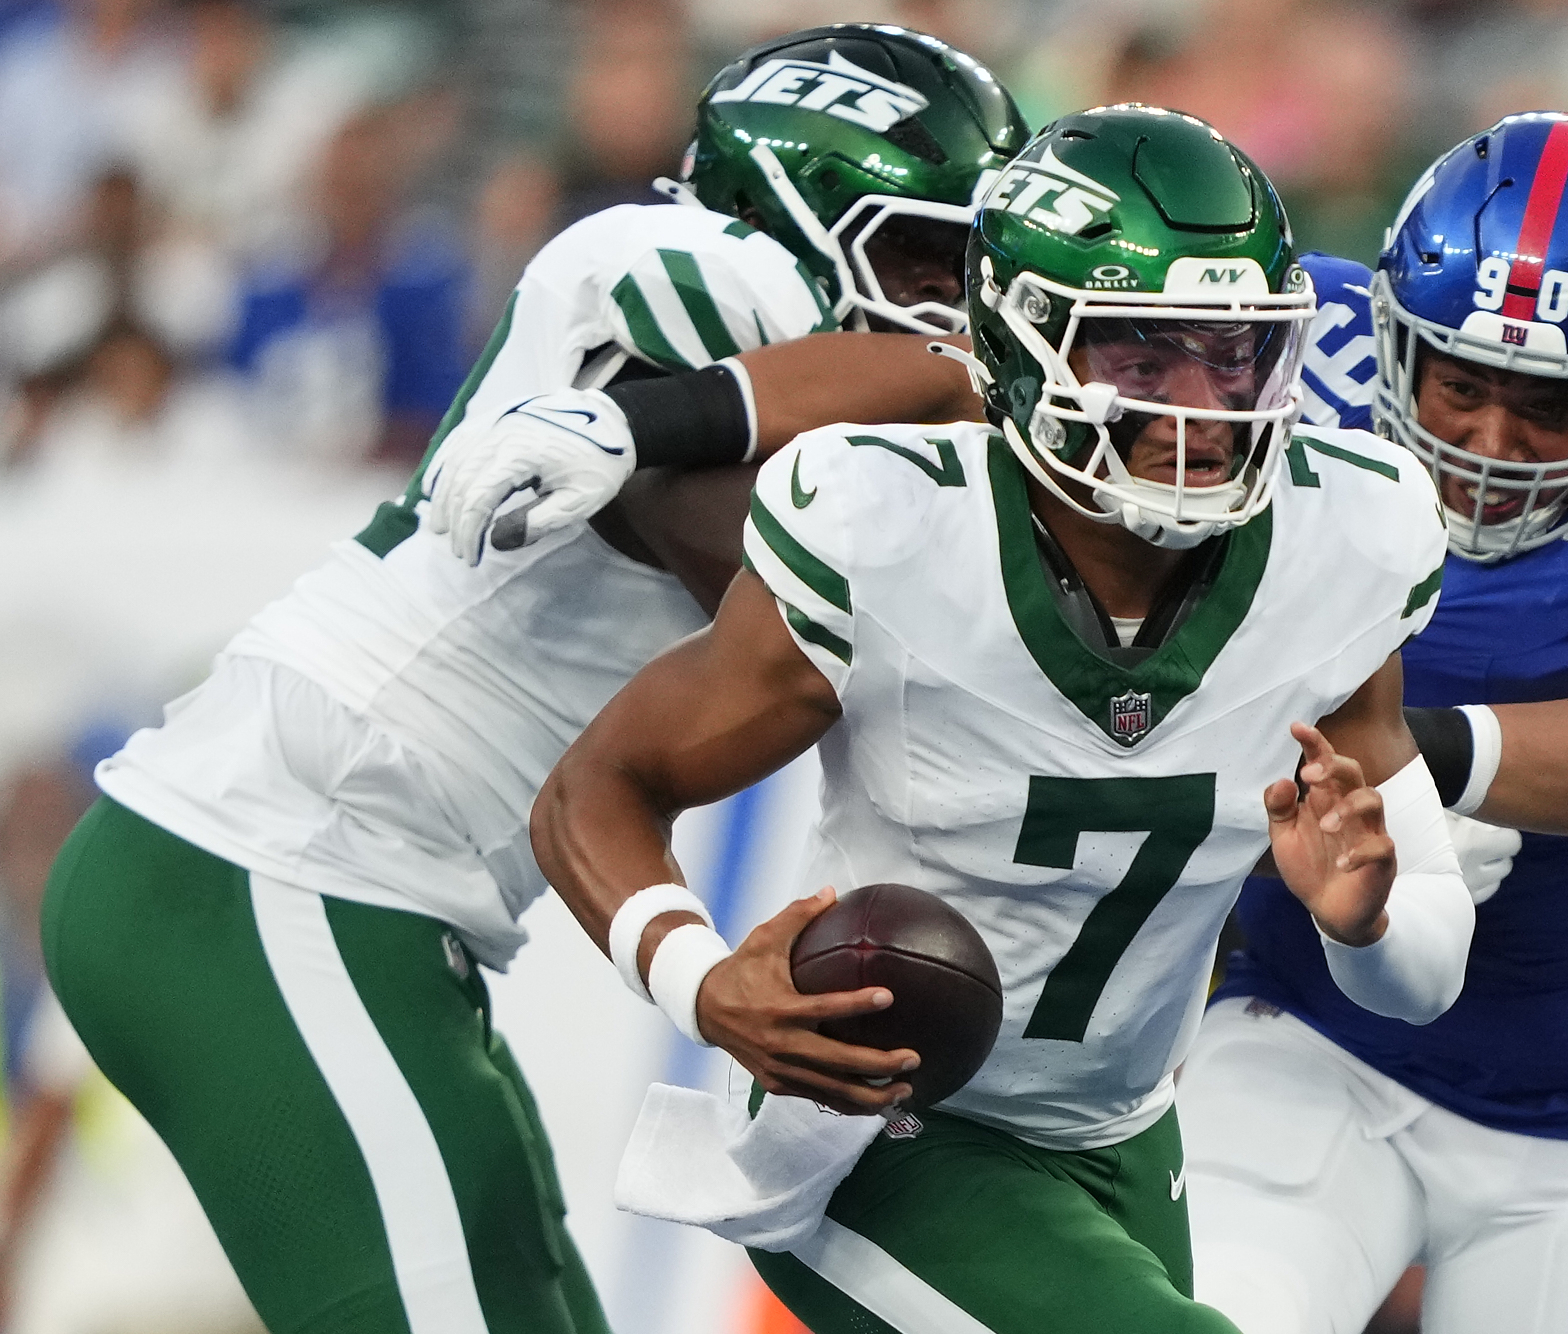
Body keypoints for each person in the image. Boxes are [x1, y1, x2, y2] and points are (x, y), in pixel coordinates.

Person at [40, 25, 1026, 1334]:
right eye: (923, 258)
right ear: (785, 212)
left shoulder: (791, 377)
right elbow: (762, 554)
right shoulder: (663, 261)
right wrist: (1008, 404)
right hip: (275, 866)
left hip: (372, 897)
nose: (953, 303)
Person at [531, 104, 1473, 1334]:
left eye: (1232, 353)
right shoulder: (889, 524)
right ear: (1024, 349)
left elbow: (1422, 976)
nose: (1203, 408)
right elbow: (594, 790)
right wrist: (704, 984)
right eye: (1143, 357)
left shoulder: (1348, 539)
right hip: (880, 1119)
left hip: (1122, 1133)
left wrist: (1360, 921)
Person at [1175, 110, 1568, 1334]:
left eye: (1545, 404)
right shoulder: (1287, 351)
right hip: (1309, 1033)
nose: (1486, 440)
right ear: (1387, 337)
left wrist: (1414, 761)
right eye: (1460, 385)